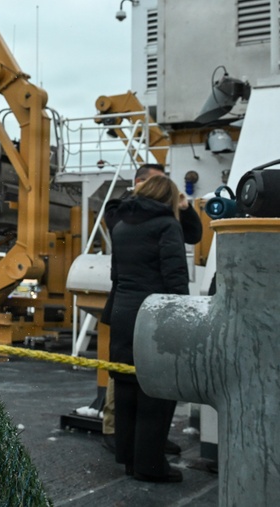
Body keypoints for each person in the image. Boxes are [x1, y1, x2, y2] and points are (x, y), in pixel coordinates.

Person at [100, 162, 199, 452]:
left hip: (128, 307)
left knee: (136, 380)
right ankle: (117, 434)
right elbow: (175, 274)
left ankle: (141, 443)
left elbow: (192, 235)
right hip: (143, 307)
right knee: (125, 381)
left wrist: (185, 208)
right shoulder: (124, 211)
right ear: (140, 183)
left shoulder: (162, 219)